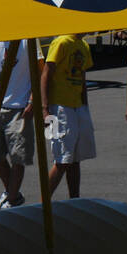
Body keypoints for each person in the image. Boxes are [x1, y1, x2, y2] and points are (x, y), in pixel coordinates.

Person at [0, 40, 41, 210]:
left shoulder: (28, 41)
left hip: (20, 106)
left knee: (18, 156)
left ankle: (11, 199)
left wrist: (32, 100)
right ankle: (12, 194)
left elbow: (39, 72)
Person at [42, 32, 95, 197]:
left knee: (75, 158)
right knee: (62, 160)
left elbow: (82, 78)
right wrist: (45, 109)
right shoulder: (61, 42)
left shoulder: (84, 45)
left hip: (77, 107)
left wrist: (85, 105)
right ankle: (43, 203)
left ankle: (74, 199)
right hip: (59, 108)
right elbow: (45, 76)